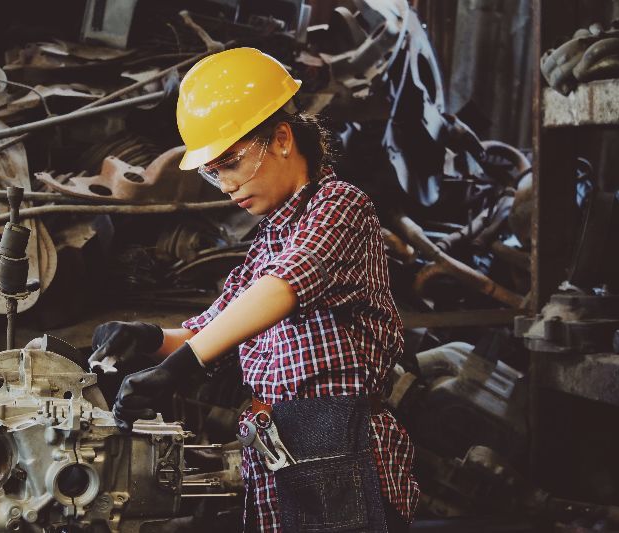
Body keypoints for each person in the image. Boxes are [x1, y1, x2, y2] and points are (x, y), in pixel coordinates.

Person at [90, 47, 418, 532]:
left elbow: (284, 287)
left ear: (282, 138)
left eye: (231, 163)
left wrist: (180, 366)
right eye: (213, 171)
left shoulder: (340, 206)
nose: (225, 185)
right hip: (279, 447)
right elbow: (213, 331)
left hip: (336, 444)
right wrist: (147, 338)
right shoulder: (267, 241)